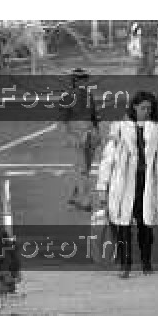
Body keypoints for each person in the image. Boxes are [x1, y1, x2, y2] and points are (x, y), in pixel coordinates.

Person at [96, 91, 158, 278]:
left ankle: (146, 262)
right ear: (135, 107)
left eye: (149, 108)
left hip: (148, 183)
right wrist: (102, 186)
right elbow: (108, 158)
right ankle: (125, 264)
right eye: (143, 107)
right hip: (123, 184)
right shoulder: (119, 128)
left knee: (146, 226)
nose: (146, 111)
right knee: (123, 226)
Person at [63, 68, 99, 211]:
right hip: (77, 134)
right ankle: (86, 201)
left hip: (90, 134)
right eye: (81, 79)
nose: (84, 81)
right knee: (83, 168)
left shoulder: (89, 95)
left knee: (86, 168)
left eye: (85, 79)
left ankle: (74, 195)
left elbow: (94, 116)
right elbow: (64, 119)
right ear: (75, 81)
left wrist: (97, 132)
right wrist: (70, 135)